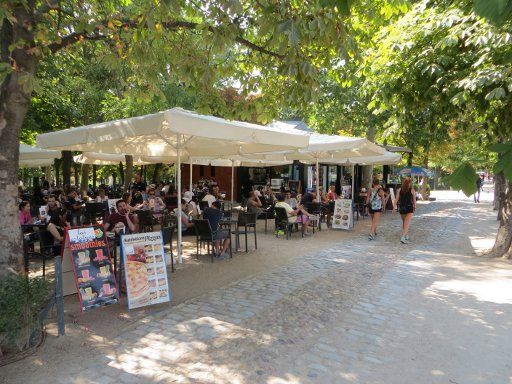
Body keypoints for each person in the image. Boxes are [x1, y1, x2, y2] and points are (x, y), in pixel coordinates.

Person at [394, 177, 416, 244]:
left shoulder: (399, 190)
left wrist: (394, 207)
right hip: (409, 208)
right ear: (410, 183)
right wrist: (415, 207)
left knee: (404, 223)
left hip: (402, 208)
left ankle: (406, 235)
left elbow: (396, 199)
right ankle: (403, 237)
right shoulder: (412, 190)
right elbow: (414, 200)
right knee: (407, 223)